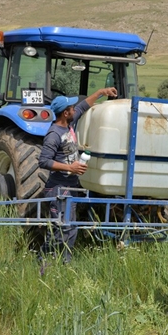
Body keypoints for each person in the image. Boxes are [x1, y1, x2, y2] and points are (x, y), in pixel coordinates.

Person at [37, 87, 117, 268]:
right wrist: (69, 167)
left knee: (70, 227)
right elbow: (43, 161)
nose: (75, 110)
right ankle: (45, 264)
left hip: (70, 186)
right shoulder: (54, 135)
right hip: (59, 187)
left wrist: (102, 92)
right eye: (71, 109)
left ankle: (64, 264)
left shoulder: (69, 125)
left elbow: (83, 106)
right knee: (59, 228)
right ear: (65, 113)